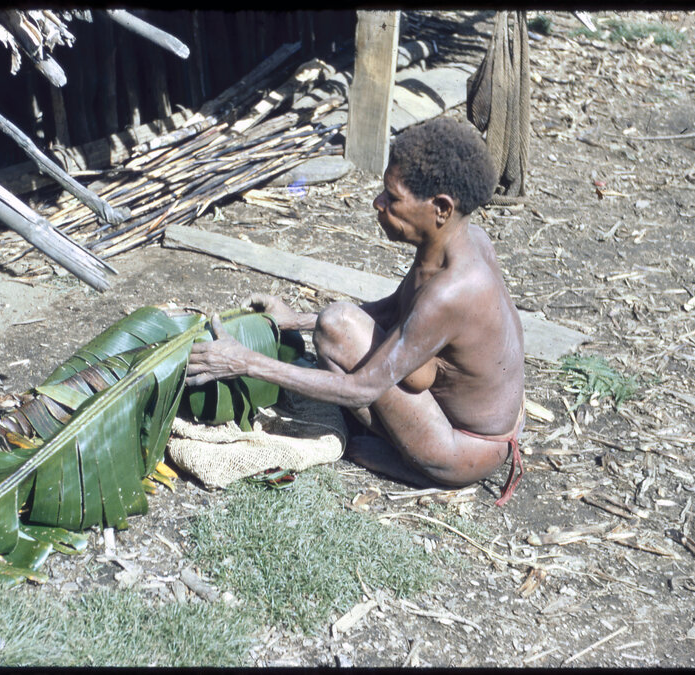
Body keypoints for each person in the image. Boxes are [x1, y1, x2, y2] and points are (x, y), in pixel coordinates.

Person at [186, 117, 526, 505]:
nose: (378, 204)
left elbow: (362, 387)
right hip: (486, 429)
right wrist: (294, 320)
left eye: (393, 198)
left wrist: (243, 362)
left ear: (441, 209)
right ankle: (401, 447)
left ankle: (416, 462)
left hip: (464, 448)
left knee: (338, 327)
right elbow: (394, 311)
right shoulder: (465, 241)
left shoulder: (452, 291)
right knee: (337, 325)